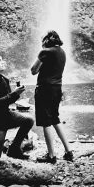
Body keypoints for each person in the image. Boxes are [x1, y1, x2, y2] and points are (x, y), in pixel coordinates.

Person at [31, 30, 74, 163]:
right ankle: (68, 151)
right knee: (55, 119)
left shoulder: (45, 52)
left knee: (46, 122)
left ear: (46, 40)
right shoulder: (62, 52)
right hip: (57, 89)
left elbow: (33, 70)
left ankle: (51, 155)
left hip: (44, 89)